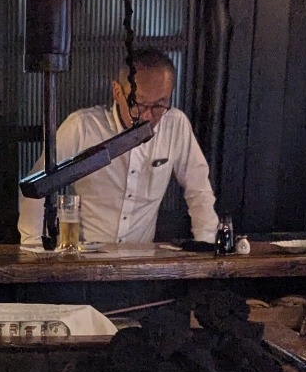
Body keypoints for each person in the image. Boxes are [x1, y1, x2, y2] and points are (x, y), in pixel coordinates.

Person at [18, 49, 218, 248]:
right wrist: (33, 247)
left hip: (140, 257)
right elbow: (35, 191)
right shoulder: (81, 127)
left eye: (159, 105)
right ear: (117, 92)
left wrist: (206, 246)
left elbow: (199, 190)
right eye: (139, 104)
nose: (148, 116)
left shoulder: (175, 125)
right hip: (84, 254)